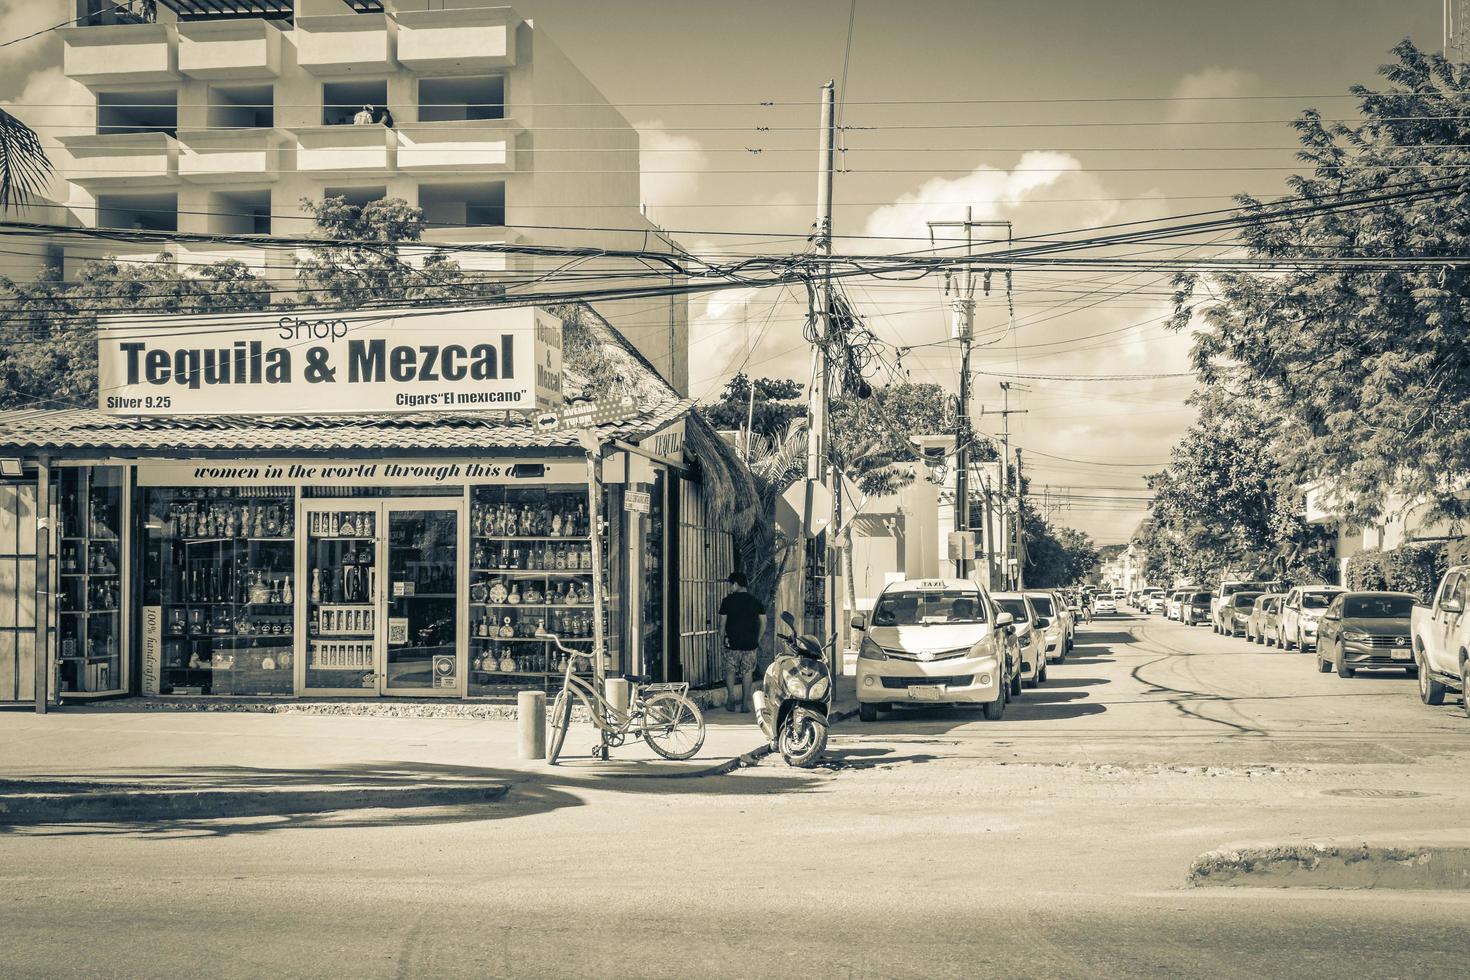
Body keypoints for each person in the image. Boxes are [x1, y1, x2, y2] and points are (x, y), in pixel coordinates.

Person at [718, 571, 765, 713]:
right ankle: (744, 705)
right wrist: (758, 638)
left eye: (731, 584)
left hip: (731, 643)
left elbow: (722, 624)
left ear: (736, 584)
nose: (730, 587)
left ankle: (731, 700)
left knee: (730, 670)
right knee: (747, 672)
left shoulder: (727, 601)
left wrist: (722, 641)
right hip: (750, 643)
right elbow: (764, 622)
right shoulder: (755, 601)